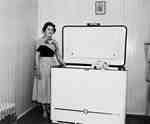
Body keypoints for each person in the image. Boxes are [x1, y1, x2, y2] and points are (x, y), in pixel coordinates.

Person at [32, 21, 64, 120]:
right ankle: (44, 109)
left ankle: (50, 108)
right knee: (43, 87)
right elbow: (36, 56)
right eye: (48, 29)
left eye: (52, 30)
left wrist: (63, 64)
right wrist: (37, 69)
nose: (50, 31)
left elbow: (58, 56)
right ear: (44, 30)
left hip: (53, 65)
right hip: (42, 66)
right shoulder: (39, 41)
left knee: (51, 87)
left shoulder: (55, 42)